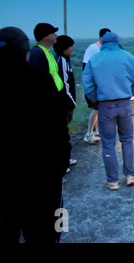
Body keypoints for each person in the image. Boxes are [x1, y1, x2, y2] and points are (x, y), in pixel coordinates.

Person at [0, 27, 71, 242]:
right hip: (41, 173)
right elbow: (58, 126)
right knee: (46, 229)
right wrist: (62, 163)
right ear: (24, 48)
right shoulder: (39, 80)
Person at [82, 32, 134, 191]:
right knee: (127, 139)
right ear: (117, 42)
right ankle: (130, 175)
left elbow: (87, 84)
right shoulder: (129, 57)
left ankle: (113, 181)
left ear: (102, 43)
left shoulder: (94, 60)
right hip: (124, 103)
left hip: (105, 106)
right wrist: (130, 93)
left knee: (108, 143)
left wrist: (97, 100)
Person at [82, 28, 111, 144]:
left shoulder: (104, 48)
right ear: (102, 37)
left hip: (102, 84)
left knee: (100, 109)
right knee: (96, 108)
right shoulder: (94, 48)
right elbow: (86, 67)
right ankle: (89, 133)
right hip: (95, 85)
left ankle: (98, 132)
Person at [54, 35, 78, 171]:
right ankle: (62, 163)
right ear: (64, 48)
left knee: (64, 133)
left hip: (65, 103)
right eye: (71, 46)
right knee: (61, 134)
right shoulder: (61, 61)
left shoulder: (65, 60)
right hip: (64, 104)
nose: (73, 48)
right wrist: (72, 104)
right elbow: (64, 85)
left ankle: (65, 159)